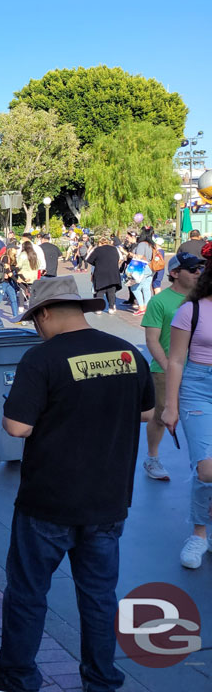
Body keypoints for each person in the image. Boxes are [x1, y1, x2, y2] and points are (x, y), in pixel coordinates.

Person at [0, 276, 154, 692]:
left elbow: (16, 426)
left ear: (46, 313)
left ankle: (17, 675)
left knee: (29, 592)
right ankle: (102, 680)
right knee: (99, 597)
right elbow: (146, 412)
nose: (37, 328)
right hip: (108, 498)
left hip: (49, 499)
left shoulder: (42, 358)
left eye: (36, 320)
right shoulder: (127, 353)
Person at [162, 241, 212, 569]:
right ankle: (199, 534)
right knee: (207, 469)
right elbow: (176, 360)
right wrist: (170, 406)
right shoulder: (190, 310)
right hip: (198, 388)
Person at [140, 253, 203, 482]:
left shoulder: (204, 300)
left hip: (200, 371)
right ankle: (152, 458)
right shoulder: (159, 302)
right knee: (161, 415)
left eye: (201, 268)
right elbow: (152, 340)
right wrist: (168, 367)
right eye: (193, 269)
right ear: (175, 274)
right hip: (164, 369)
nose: (199, 272)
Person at [85, 236, 121, 313]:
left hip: (100, 272)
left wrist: (97, 263)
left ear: (100, 243)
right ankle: (111, 307)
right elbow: (119, 258)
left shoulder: (97, 250)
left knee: (100, 291)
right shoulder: (114, 249)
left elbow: (89, 259)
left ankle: (98, 309)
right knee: (111, 291)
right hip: (113, 272)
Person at [126, 227, 155, 315]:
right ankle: (146, 307)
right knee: (146, 287)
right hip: (151, 267)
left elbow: (138, 256)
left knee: (134, 287)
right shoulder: (152, 244)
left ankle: (141, 307)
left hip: (142, 267)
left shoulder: (142, 244)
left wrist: (129, 254)